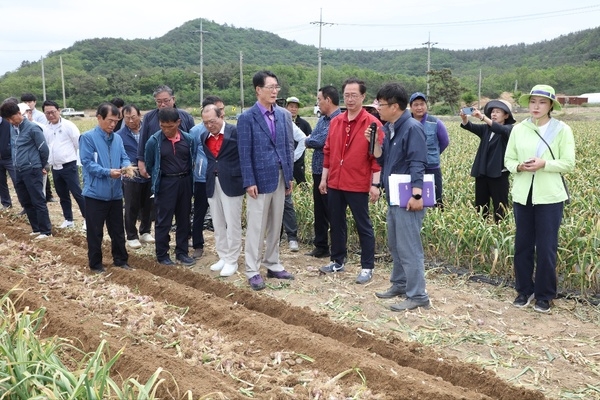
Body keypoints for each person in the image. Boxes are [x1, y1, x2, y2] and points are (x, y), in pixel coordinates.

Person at [504, 84, 575, 313]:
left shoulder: (562, 129)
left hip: (550, 197)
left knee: (546, 247)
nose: (536, 106)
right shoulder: (519, 129)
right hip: (523, 195)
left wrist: (545, 164)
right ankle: (524, 290)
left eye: (542, 102)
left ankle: (545, 295)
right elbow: (508, 159)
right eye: (533, 101)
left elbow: (569, 163)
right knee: (522, 245)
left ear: (551, 106)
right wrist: (519, 167)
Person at [368, 83, 431, 311]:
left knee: (409, 246)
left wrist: (416, 193)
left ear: (395, 106)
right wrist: (375, 143)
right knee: (396, 244)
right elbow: (383, 160)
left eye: (381, 105)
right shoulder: (391, 127)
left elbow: (418, 162)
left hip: (407, 197)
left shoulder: (412, 128)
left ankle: (418, 295)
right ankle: (400, 284)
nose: (378, 109)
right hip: (394, 195)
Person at [318, 78, 382, 284]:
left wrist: (375, 185)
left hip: (357, 183)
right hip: (335, 182)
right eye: (347, 95)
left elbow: (377, 159)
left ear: (363, 96)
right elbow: (327, 151)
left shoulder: (373, 124)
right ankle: (337, 260)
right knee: (336, 223)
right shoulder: (336, 121)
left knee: (363, 225)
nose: (350, 99)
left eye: (354, 95)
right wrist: (324, 178)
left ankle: (367, 266)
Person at [237, 70, 295, 291]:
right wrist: (249, 180)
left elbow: (288, 146)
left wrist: (289, 176)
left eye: (276, 87)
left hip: (280, 176)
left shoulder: (283, 115)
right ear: (258, 90)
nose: (274, 91)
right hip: (259, 180)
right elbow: (244, 152)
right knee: (256, 226)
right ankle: (252, 270)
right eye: (270, 87)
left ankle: (273, 263)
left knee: (275, 223)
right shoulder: (246, 118)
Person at [79, 102, 132, 273]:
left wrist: (126, 167)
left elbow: (124, 157)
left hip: (115, 193)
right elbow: (87, 164)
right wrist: (108, 172)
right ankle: (95, 264)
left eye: (116, 121)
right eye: (110, 120)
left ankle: (121, 260)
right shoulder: (87, 138)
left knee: (117, 231)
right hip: (95, 194)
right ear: (99, 118)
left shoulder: (117, 138)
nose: (113, 125)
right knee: (95, 232)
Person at [144, 107, 196, 267]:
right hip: (166, 183)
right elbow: (149, 164)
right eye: (163, 126)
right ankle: (162, 254)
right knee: (163, 220)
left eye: (170, 126)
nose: (166, 130)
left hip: (185, 182)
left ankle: (182, 252)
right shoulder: (154, 141)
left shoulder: (188, 140)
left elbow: (192, 160)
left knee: (183, 219)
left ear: (178, 123)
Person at [201, 104, 245, 276]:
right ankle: (223, 255)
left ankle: (232, 260)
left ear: (221, 116)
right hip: (212, 181)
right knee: (217, 222)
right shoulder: (204, 137)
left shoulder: (235, 133)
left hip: (232, 181)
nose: (209, 125)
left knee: (232, 222)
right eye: (205, 123)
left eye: (212, 121)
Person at [0, 101, 51, 239]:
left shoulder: (33, 128)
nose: (11, 121)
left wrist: (39, 165)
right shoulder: (12, 128)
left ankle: (45, 231)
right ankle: (35, 228)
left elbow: (44, 150)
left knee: (37, 200)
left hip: (32, 169)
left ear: (18, 113)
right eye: (8, 120)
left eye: (12, 118)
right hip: (18, 169)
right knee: (25, 200)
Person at [460, 99, 516, 223]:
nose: (494, 114)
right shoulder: (486, 129)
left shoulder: (509, 129)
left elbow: (500, 129)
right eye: (492, 112)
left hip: (498, 174)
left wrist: (482, 117)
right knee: (481, 206)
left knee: (500, 206)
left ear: (506, 115)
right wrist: (464, 119)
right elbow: (470, 127)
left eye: (498, 112)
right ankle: (482, 230)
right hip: (482, 173)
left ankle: (500, 229)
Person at [304, 85, 341, 258]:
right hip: (318, 171)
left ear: (328, 100)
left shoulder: (339, 119)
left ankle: (337, 249)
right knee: (319, 210)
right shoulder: (323, 119)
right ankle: (321, 246)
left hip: (332, 172)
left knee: (332, 210)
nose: (318, 103)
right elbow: (314, 139)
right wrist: (311, 140)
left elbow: (319, 141)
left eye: (319, 99)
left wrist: (309, 140)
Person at [41, 100, 86, 229]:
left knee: (77, 193)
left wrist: (80, 162)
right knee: (62, 195)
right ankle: (68, 219)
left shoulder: (68, 125)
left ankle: (87, 218)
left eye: (53, 112)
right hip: (55, 167)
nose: (50, 115)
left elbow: (78, 144)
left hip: (69, 165)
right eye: (47, 113)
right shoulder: (46, 128)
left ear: (58, 111)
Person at [116, 104, 155, 249]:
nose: (131, 121)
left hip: (149, 173)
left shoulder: (149, 130)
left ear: (139, 115)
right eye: (127, 118)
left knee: (148, 205)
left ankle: (145, 231)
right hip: (131, 175)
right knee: (131, 206)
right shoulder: (120, 135)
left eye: (133, 117)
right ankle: (131, 235)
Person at [189, 95, 224, 260]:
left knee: (223, 213)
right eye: (218, 109)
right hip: (202, 179)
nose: (220, 113)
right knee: (200, 212)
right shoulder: (196, 132)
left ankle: (225, 249)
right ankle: (197, 244)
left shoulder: (226, 129)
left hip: (222, 178)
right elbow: (192, 155)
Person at [137, 85, 195, 180]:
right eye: (159, 102)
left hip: (183, 168)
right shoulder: (149, 117)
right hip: (158, 166)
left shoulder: (185, 117)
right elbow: (143, 140)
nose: (162, 104)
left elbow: (193, 141)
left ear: (173, 99)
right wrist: (141, 161)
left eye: (166, 101)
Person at [409, 92, 450, 208]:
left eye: (422, 104)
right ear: (411, 107)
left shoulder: (435, 122)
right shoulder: (406, 123)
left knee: (435, 201)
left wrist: (434, 154)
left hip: (432, 167)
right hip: (410, 168)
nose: (419, 107)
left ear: (426, 105)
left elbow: (444, 142)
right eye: (416, 105)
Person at [0, 100, 17, 211]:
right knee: (1, 183)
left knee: (17, 181)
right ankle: (6, 204)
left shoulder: (8, 123)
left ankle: (25, 205)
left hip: (9, 157)